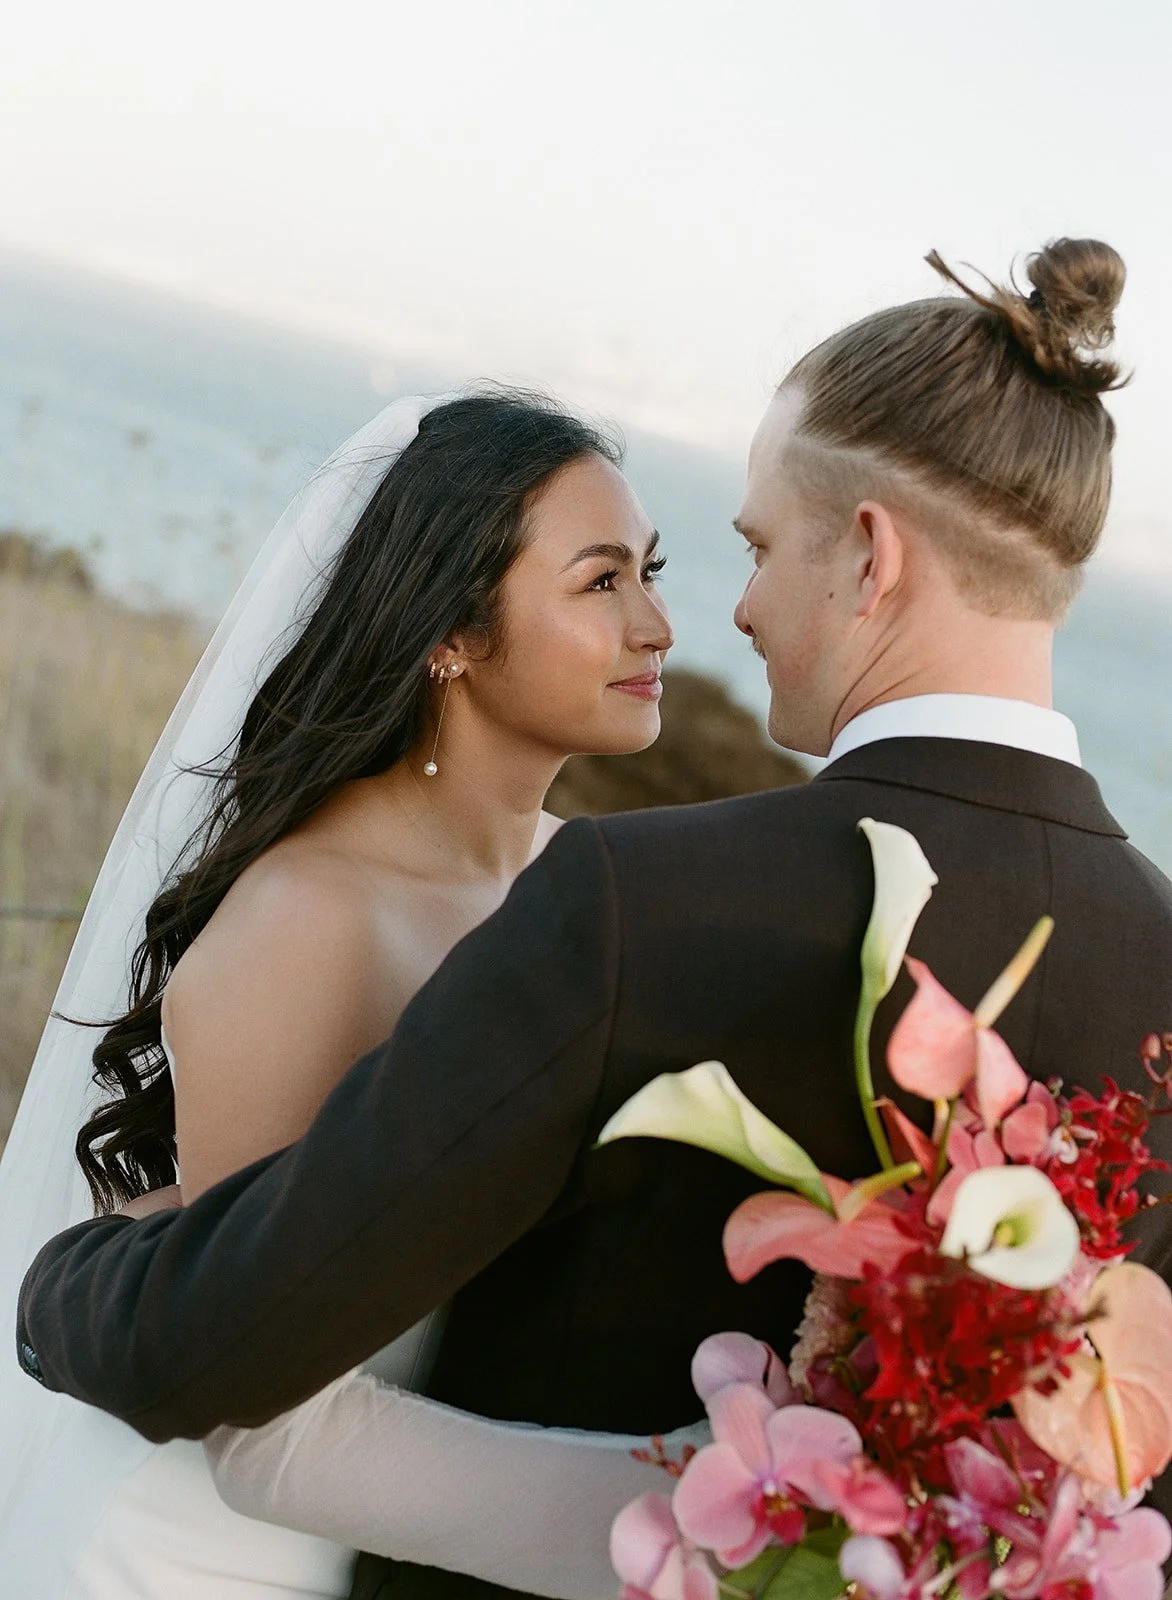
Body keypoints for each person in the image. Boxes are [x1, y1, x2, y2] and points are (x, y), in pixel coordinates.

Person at [20, 240, 1172, 1600]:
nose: (719, 616)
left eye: (749, 549)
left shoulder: (642, 898)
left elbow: (223, 1346)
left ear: (867, 554)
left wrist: (63, 1271)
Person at [0, 389, 705, 1599]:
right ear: (453, 631)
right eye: (600, 583)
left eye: (649, 572)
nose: (657, 626)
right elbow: (244, 1370)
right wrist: (685, 1517)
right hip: (196, 1554)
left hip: (390, 1540)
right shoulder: (315, 914)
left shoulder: (572, 885)